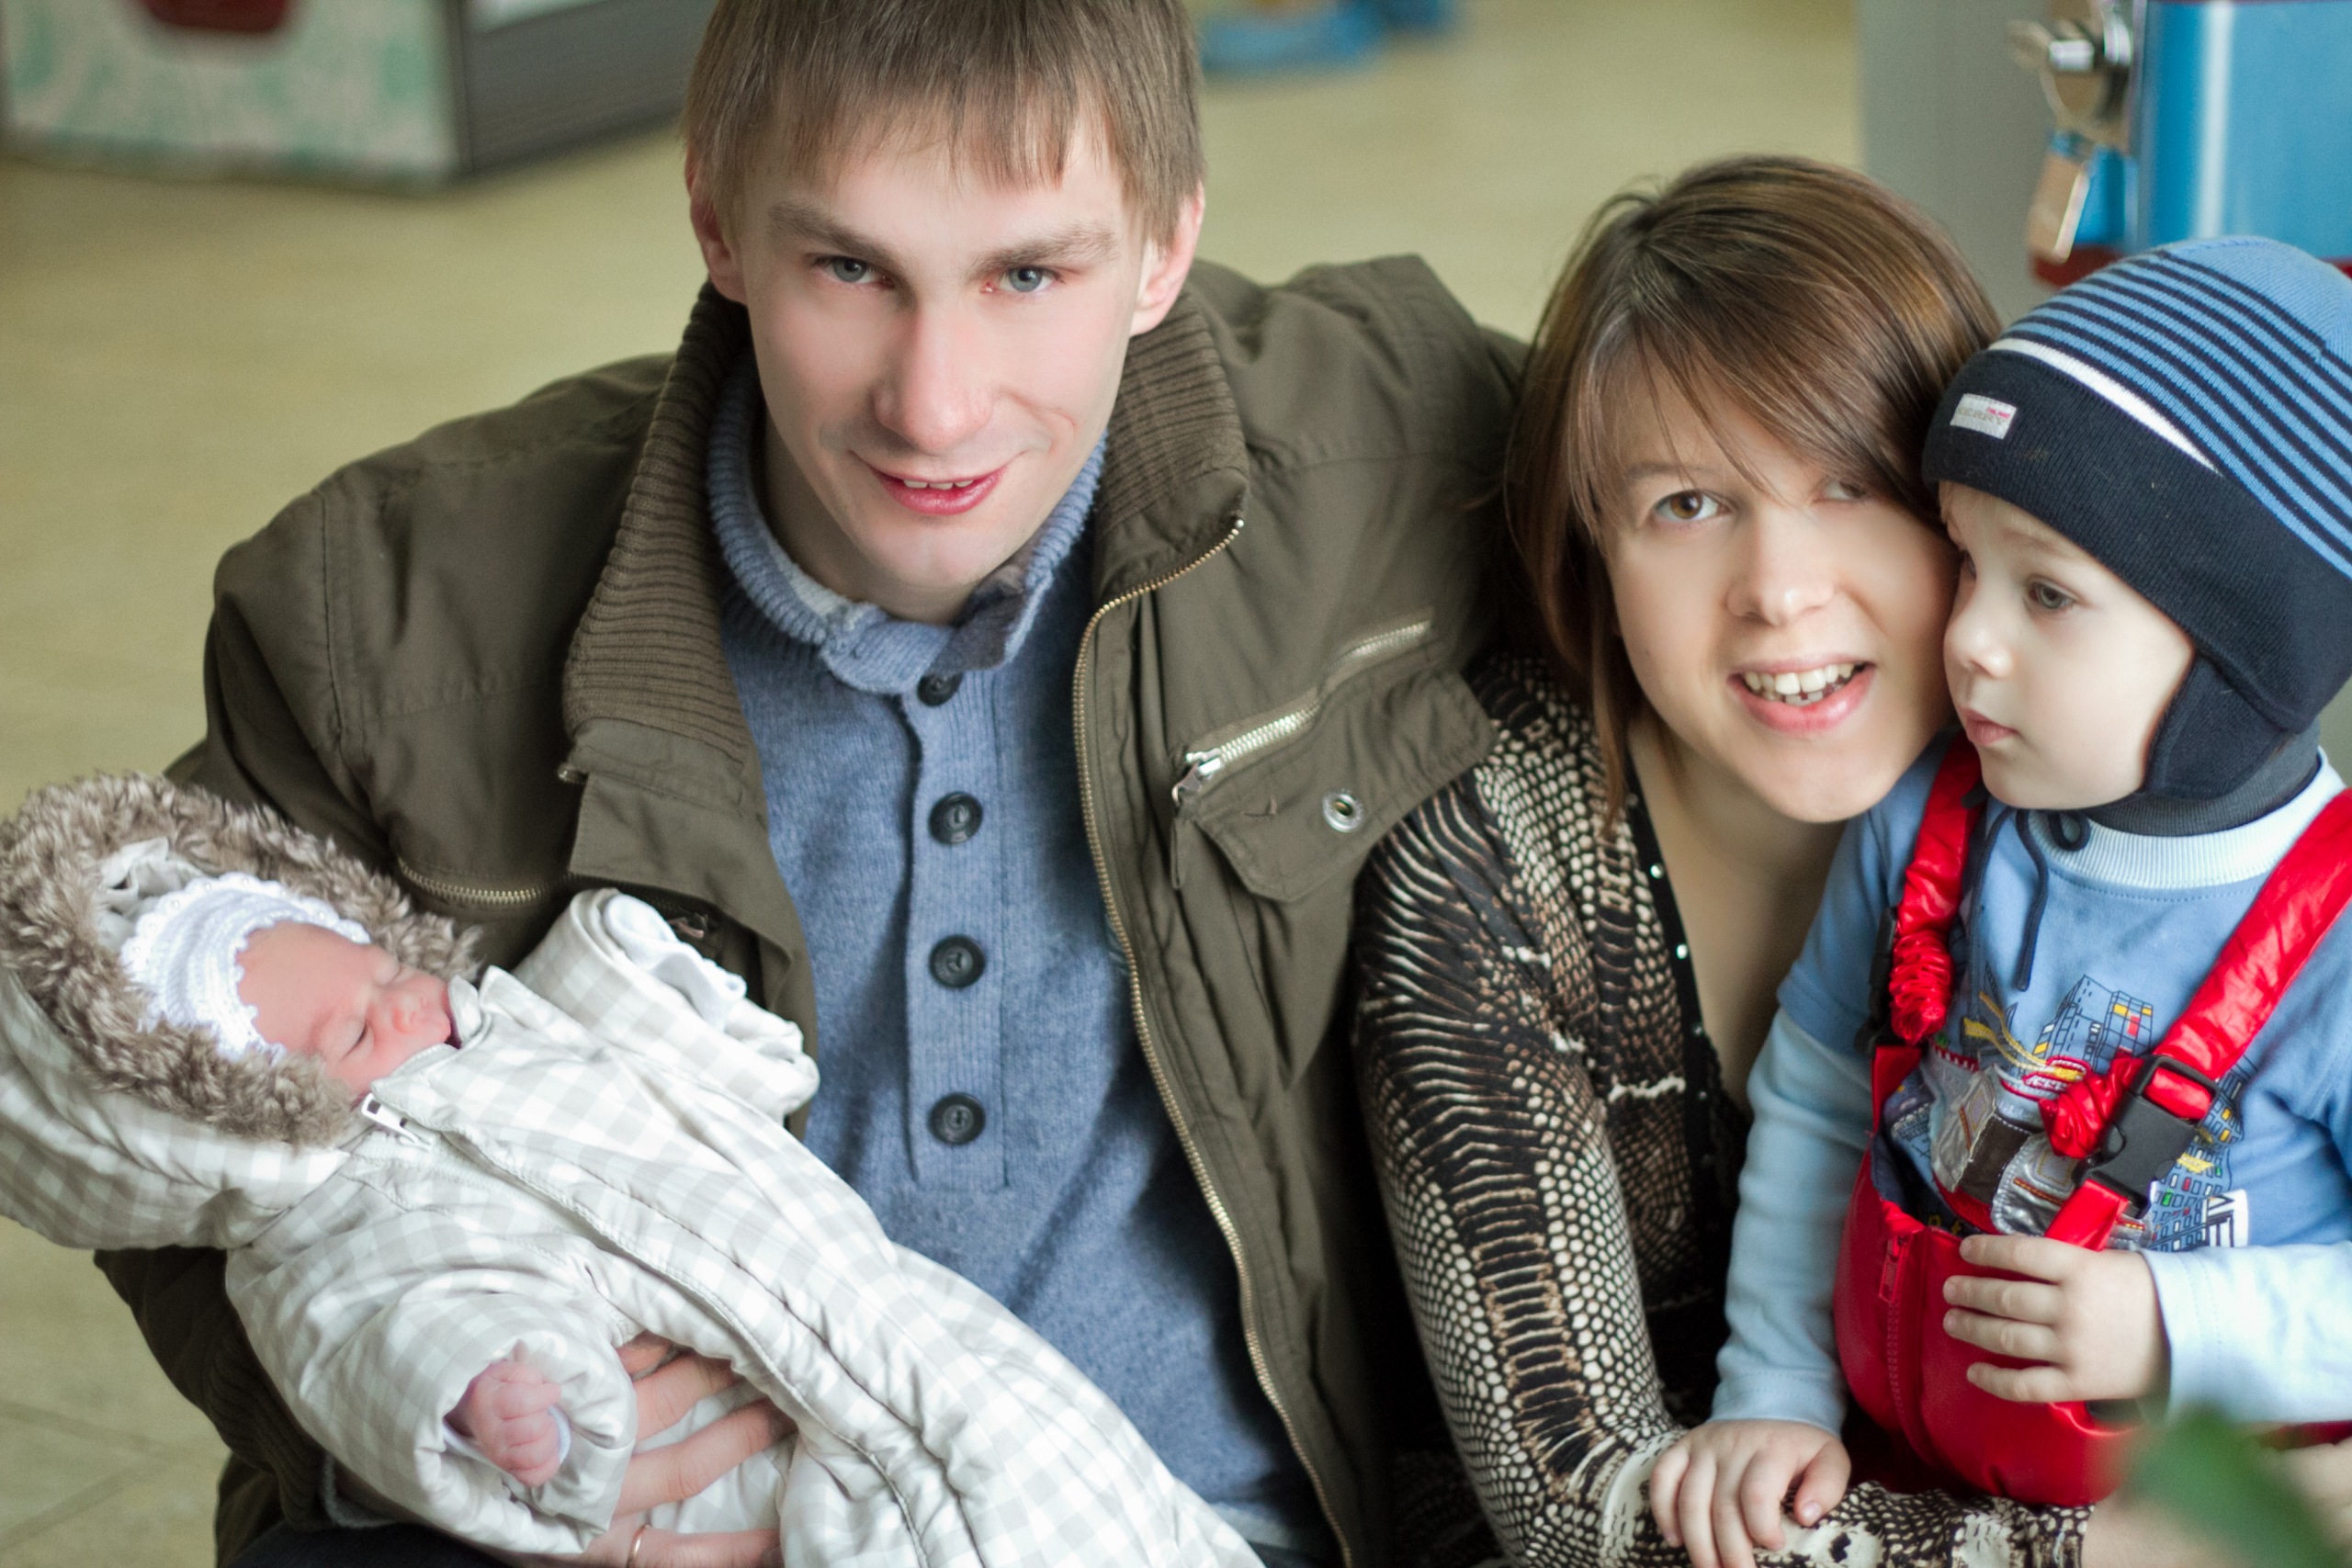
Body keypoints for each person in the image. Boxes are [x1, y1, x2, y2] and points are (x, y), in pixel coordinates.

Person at [66, 0, 1518, 1562]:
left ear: (1163, 247)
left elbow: (1720, 559)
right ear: (718, 222)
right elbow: (144, 1135)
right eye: (850, 269)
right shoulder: (382, 613)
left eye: (1030, 275)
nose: (934, 406)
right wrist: (420, 1439)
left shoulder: (1395, 438)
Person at [1349, 154, 2352, 1568]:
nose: (1780, 591)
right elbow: (1580, 1507)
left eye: (1852, 484)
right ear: (1590, 551)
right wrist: (2118, 1550)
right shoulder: (1493, 872)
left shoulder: (2183, 832)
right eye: (1686, 505)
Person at [0, 771, 1260, 1568]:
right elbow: (391, 1337)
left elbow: (629, 1052)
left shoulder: (490, 1037)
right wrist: (497, 1401)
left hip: (920, 1339)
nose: (410, 1005)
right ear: (235, 1121)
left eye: (387, 971)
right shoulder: (338, 1237)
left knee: (1112, 1501)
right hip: (770, 1467)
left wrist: (651, 980)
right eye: (353, 1031)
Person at [1654, 236, 2352, 1563]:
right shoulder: (1923, 822)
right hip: (1897, 1472)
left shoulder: (2338, 938)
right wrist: (1773, 1391)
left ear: (2244, 660)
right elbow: (1817, 1100)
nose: (1968, 637)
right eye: (1968, 564)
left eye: (2049, 594)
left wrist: (2174, 1328)